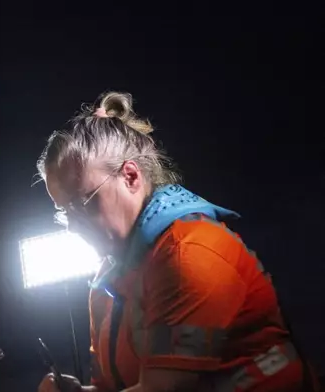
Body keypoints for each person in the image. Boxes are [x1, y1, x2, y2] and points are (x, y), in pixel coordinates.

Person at [36, 91, 318, 392]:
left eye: (84, 203)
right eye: (64, 211)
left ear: (131, 177)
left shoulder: (190, 254)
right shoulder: (111, 275)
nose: (74, 226)